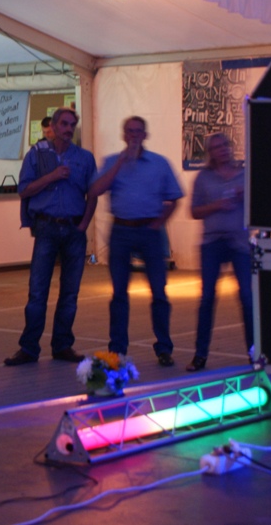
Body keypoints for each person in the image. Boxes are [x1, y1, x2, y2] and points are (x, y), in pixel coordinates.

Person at [4, 108, 97, 366]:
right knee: (37, 292)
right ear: (53, 127)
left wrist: (84, 225)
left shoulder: (84, 158)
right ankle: (29, 348)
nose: (68, 129)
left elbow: (93, 194)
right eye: (64, 124)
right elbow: (24, 190)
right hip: (46, 228)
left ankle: (63, 345)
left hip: (74, 229)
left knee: (70, 292)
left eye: (72, 125)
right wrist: (52, 176)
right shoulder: (36, 155)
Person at [90, 116, 184, 366]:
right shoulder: (112, 161)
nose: (133, 135)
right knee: (119, 293)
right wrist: (120, 163)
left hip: (150, 232)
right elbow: (96, 190)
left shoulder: (159, 163)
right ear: (123, 135)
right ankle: (117, 350)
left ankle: (164, 348)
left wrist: (158, 222)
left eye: (138, 131)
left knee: (159, 292)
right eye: (129, 131)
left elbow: (174, 198)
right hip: (121, 230)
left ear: (145, 135)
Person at [188, 133, 254, 372]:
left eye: (225, 145)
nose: (222, 150)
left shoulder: (245, 174)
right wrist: (216, 205)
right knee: (207, 298)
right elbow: (194, 211)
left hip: (239, 243)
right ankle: (200, 355)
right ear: (210, 153)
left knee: (247, 297)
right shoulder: (203, 178)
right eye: (216, 147)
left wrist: (245, 196)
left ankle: (254, 353)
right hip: (212, 243)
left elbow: (259, 204)